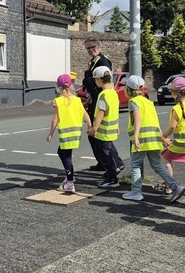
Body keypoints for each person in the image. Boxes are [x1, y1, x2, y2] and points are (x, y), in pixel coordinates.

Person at [121, 76, 185, 202]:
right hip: (154, 139)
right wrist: (162, 138)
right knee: (157, 164)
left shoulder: (133, 101)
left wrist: (135, 137)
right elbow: (155, 122)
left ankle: (136, 192)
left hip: (142, 138)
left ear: (128, 89)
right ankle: (175, 186)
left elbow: (138, 118)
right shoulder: (148, 102)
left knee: (135, 164)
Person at [82, 38, 125, 173]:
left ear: (98, 46)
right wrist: (88, 101)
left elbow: (102, 84)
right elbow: (93, 87)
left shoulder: (103, 61)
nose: (91, 50)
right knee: (97, 137)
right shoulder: (93, 61)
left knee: (99, 135)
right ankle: (104, 163)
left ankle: (113, 164)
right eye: (88, 48)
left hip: (102, 100)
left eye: (93, 47)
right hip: (97, 99)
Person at [46, 73, 92, 193]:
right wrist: (90, 126)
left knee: (66, 156)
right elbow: (85, 114)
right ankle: (70, 177)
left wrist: (50, 133)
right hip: (76, 132)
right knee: (62, 152)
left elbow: (55, 119)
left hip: (65, 133)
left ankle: (70, 182)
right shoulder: (77, 100)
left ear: (59, 86)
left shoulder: (58, 101)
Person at [87, 66, 122, 188]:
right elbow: (114, 111)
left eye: (95, 79)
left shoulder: (103, 95)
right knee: (109, 149)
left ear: (99, 79)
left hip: (103, 131)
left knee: (105, 154)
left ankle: (112, 177)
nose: (95, 82)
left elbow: (101, 113)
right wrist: (117, 126)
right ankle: (117, 165)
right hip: (111, 129)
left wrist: (94, 128)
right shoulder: (113, 93)